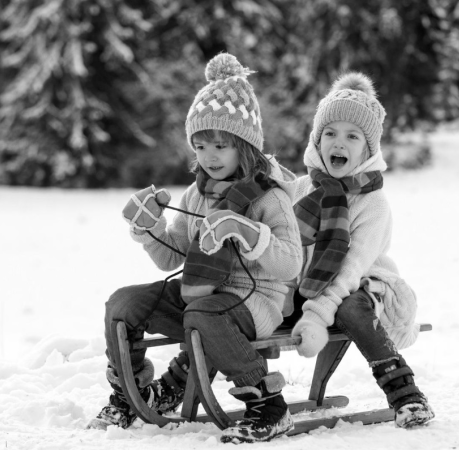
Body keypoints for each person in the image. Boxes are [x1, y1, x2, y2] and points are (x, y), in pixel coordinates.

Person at [87, 53, 302, 443]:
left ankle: (269, 407)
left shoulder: (271, 197)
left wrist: (249, 232)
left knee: (204, 313)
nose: (210, 156)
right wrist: (148, 227)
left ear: (245, 146)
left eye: (221, 145)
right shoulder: (195, 194)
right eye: (201, 146)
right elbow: (173, 257)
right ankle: (130, 394)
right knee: (123, 304)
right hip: (198, 295)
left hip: (257, 301)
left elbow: (289, 264)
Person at [289, 72, 435, 428]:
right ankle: (255, 392)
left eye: (352, 136)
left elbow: (350, 271)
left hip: (360, 286)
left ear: (368, 149)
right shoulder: (301, 189)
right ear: (317, 138)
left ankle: (406, 395)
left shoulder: (372, 204)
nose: (339, 143)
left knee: (351, 307)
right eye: (330, 133)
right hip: (306, 289)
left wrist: (316, 313)